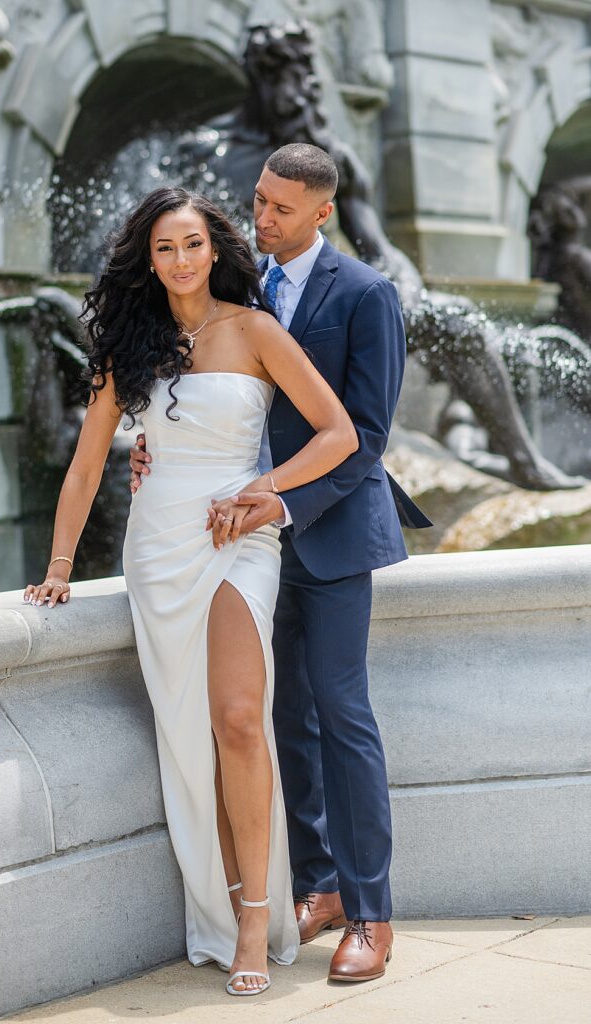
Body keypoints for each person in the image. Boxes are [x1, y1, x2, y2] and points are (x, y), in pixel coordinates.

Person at [23, 185, 358, 996]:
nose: (179, 261)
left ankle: (254, 916)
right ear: (149, 258)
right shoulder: (126, 350)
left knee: (240, 720)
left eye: (192, 245)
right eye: (164, 248)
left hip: (239, 538)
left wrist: (261, 490)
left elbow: (338, 433)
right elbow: (86, 463)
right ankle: (223, 904)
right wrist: (60, 567)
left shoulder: (255, 330)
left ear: (217, 249)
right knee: (186, 733)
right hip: (158, 546)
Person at [131, 143, 425, 983]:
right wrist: (147, 449)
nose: (261, 219)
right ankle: (319, 884)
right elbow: (199, 391)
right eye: (258, 201)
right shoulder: (238, 288)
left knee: (340, 713)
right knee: (274, 719)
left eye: (281, 209)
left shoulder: (366, 294)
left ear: (322, 212)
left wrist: (283, 501)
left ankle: (371, 913)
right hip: (231, 544)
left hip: (324, 534)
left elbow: (363, 437)